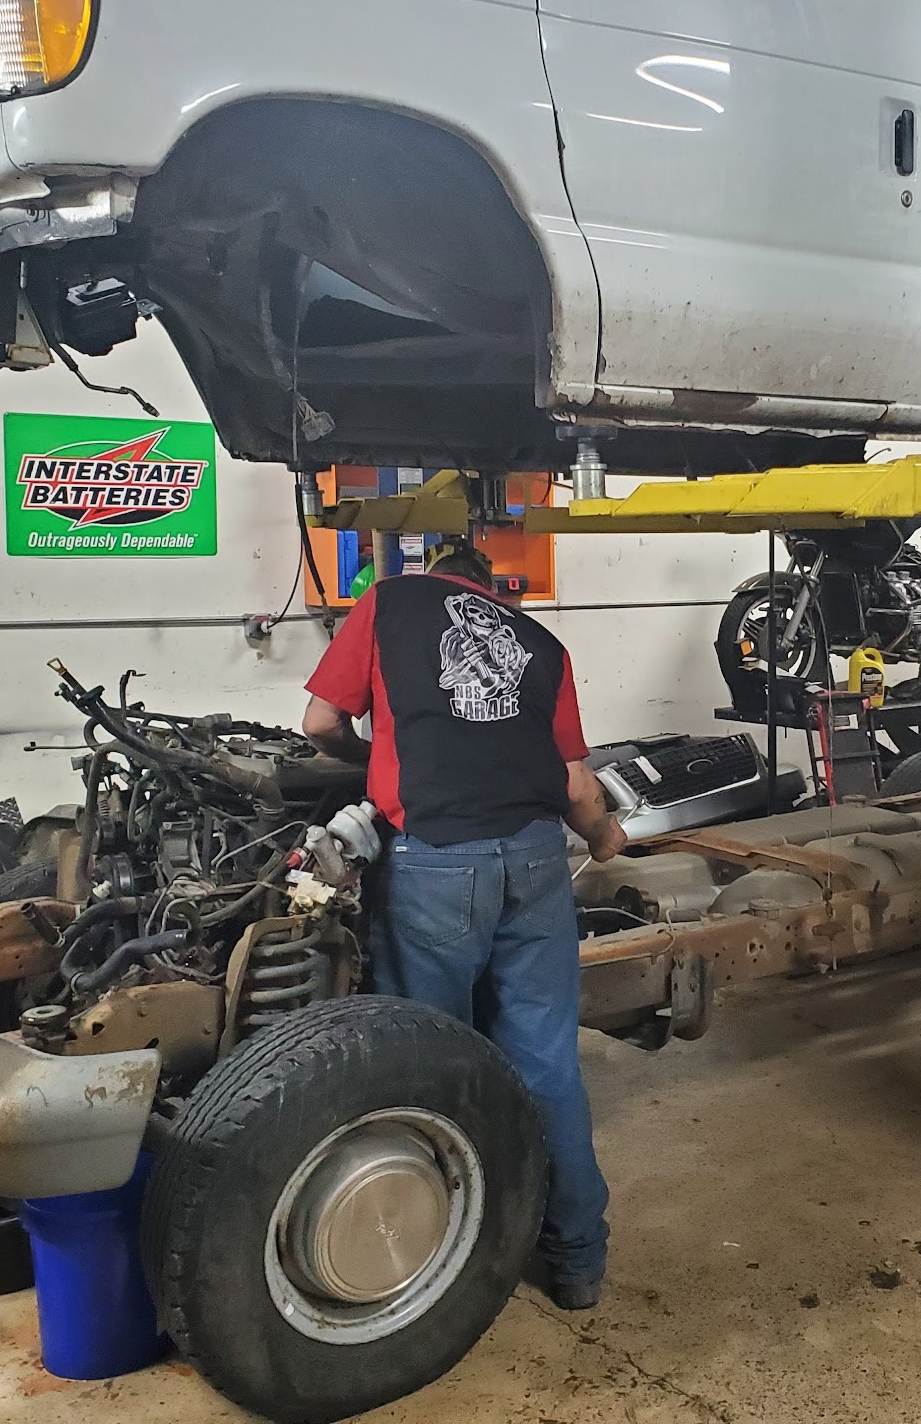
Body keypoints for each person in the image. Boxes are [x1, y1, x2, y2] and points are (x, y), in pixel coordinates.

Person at [301, 543, 627, 1310]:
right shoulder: (541, 642)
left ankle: (449, 1255)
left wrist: (370, 753)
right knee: (547, 1064)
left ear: (437, 574)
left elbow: (319, 723)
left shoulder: (389, 600)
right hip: (535, 857)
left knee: (431, 1062)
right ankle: (578, 1260)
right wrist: (605, 836)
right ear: (490, 592)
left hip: (437, 860)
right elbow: (576, 783)